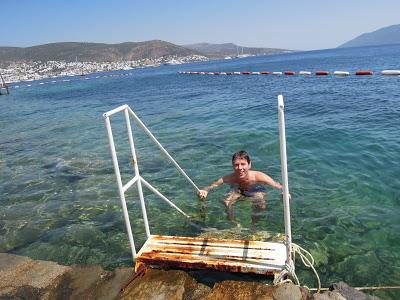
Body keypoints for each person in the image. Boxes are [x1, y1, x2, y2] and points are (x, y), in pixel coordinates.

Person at [197, 150, 283, 222]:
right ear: (233, 166)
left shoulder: (259, 176)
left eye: (243, 164)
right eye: (236, 165)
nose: (240, 168)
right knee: (227, 202)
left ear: (249, 165)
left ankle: (254, 225)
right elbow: (213, 185)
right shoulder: (229, 178)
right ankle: (234, 224)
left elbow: (277, 185)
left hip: (255, 189)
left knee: (259, 199)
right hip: (238, 189)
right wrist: (205, 191)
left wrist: (284, 193)